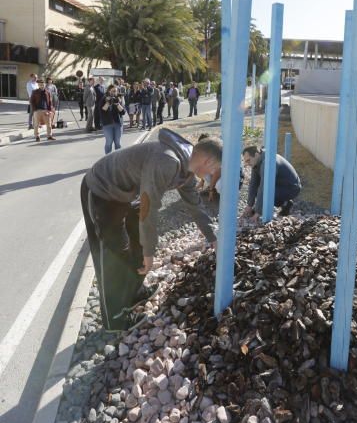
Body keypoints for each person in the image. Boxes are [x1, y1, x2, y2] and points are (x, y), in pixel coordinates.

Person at [80, 129, 222, 331]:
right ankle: (114, 320)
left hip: (129, 192)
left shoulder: (188, 170)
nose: (212, 174)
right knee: (113, 253)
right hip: (102, 189)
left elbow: (195, 206)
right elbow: (150, 209)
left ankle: (134, 291)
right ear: (208, 161)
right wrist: (150, 252)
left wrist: (213, 237)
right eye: (215, 168)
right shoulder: (167, 161)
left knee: (138, 242)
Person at [241, 145, 301, 221]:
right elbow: (253, 184)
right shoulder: (257, 160)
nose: (246, 164)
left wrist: (258, 213)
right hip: (280, 185)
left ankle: (285, 203)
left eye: (248, 160)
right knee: (258, 190)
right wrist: (249, 206)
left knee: (266, 191)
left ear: (256, 155)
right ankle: (285, 203)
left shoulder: (268, 162)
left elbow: (264, 188)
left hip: (291, 188)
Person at [100, 84, 126, 154]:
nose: (113, 93)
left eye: (115, 91)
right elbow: (102, 111)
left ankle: (118, 159)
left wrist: (117, 104)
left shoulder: (119, 99)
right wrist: (108, 102)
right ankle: (108, 159)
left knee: (118, 143)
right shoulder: (104, 99)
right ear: (109, 91)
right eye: (112, 91)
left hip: (118, 124)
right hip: (107, 124)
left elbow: (123, 112)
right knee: (109, 142)